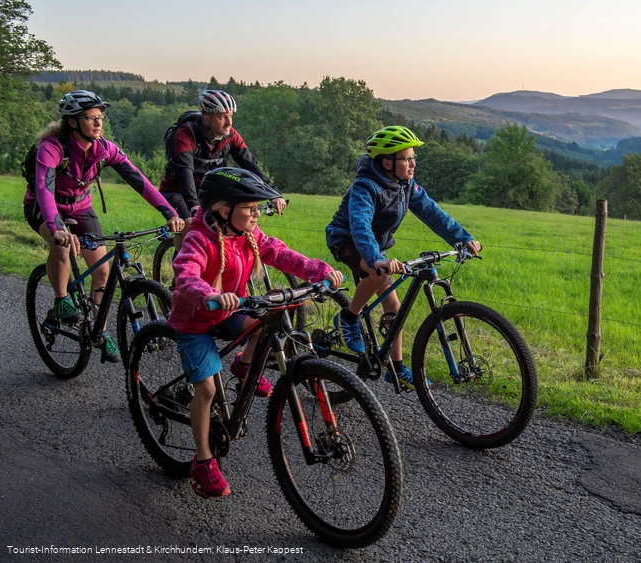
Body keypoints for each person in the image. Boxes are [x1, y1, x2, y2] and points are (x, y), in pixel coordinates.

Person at [167, 167, 343, 498]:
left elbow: (280, 253)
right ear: (224, 211)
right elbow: (186, 273)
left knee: (267, 322)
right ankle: (203, 460)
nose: (257, 215)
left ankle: (244, 364)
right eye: (251, 209)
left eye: (258, 209)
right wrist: (209, 294)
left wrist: (319, 270)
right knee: (205, 390)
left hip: (227, 311)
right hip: (196, 318)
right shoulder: (198, 238)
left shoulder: (248, 234)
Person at [22, 90, 184, 363]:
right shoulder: (52, 148)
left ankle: (101, 329)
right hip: (44, 206)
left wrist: (169, 212)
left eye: (100, 117)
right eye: (91, 118)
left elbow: (140, 181)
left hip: (81, 208)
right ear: (73, 122)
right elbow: (43, 189)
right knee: (62, 248)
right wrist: (57, 227)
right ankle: (62, 300)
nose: (98, 123)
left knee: (103, 271)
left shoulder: (104, 148)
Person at [325, 125, 481, 390]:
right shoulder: (365, 187)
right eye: (407, 159)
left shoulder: (407, 186)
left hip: (375, 248)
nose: (413, 164)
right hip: (347, 240)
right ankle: (349, 317)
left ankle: (396, 369)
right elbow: (360, 225)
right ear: (387, 162)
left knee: (394, 307)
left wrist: (462, 238)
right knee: (379, 273)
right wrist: (375, 258)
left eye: (413, 158)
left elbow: (433, 213)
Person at [159, 90, 286, 252]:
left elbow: (250, 164)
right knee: (191, 225)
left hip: (208, 192)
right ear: (207, 118)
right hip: (177, 192)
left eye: (231, 116)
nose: (229, 122)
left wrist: (273, 193)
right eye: (222, 117)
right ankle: (182, 272)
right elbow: (185, 173)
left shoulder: (231, 136)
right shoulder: (185, 134)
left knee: (233, 220)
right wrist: (194, 206)